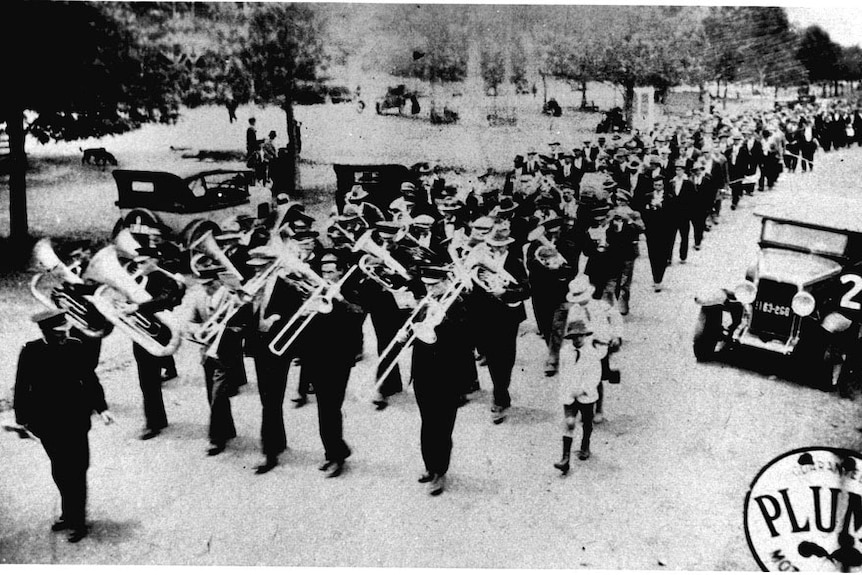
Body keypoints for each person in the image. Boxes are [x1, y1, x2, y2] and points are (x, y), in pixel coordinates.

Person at [13, 310, 115, 543]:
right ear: (46, 332)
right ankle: (68, 514)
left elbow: (90, 379)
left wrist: (103, 408)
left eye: (65, 331)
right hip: (46, 421)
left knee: (78, 469)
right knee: (60, 470)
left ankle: (78, 521)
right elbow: (21, 385)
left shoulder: (75, 346)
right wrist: (22, 419)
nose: (63, 336)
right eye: (58, 333)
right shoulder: (31, 351)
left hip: (75, 419)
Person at [302, 251, 364, 477]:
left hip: (339, 359)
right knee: (323, 409)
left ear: (340, 272)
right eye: (323, 271)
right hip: (317, 357)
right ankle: (334, 451)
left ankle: (336, 456)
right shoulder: (315, 292)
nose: (326, 275)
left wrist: (339, 300)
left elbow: (358, 314)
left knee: (330, 409)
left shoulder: (350, 291)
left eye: (330, 271)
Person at [412, 265, 470, 495]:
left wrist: (444, 320)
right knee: (427, 423)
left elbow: (465, 339)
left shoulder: (459, 304)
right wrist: (405, 333)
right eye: (427, 285)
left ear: (446, 282)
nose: (431, 289)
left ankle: (440, 472)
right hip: (423, 372)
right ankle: (430, 466)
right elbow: (414, 329)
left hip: (448, 374)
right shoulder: (424, 304)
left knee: (443, 426)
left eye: (435, 284)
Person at [189, 272, 250, 457]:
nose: (206, 287)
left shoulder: (233, 296)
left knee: (217, 396)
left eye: (209, 283)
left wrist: (230, 330)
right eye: (202, 284)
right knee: (213, 396)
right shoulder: (199, 297)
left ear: (217, 281)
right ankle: (227, 429)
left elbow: (244, 324)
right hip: (207, 352)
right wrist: (196, 329)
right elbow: (192, 321)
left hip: (226, 354)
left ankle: (216, 439)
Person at [553, 308, 603, 475]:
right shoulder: (565, 352)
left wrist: (583, 389)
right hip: (569, 394)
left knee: (586, 423)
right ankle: (565, 458)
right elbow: (564, 372)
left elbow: (595, 375)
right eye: (574, 337)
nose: (577, 339)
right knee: (569, 422)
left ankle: (585, 445)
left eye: (580, 336)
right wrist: (567, 390)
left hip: (586, 395)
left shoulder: (591, 353)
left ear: (585, 335)